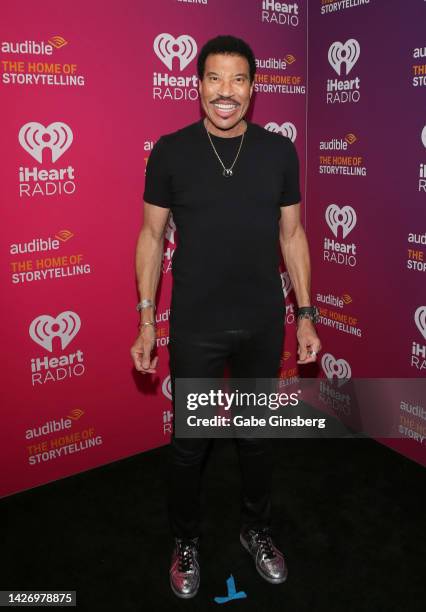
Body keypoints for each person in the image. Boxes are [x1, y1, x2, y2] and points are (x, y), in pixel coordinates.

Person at [130, 35, 322, 599]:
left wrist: (306, 314)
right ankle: (185, 540)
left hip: (263, 320)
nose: (226, 92)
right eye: (215, 78)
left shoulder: (279, 152)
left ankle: (256, 530)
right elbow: (150, 236)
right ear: (197, 85)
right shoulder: (169, 151)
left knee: (257, 436)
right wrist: (146, 321)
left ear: (254, 88)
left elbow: (293, 235)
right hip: (196, 324)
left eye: (238, 80)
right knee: (190, 441)